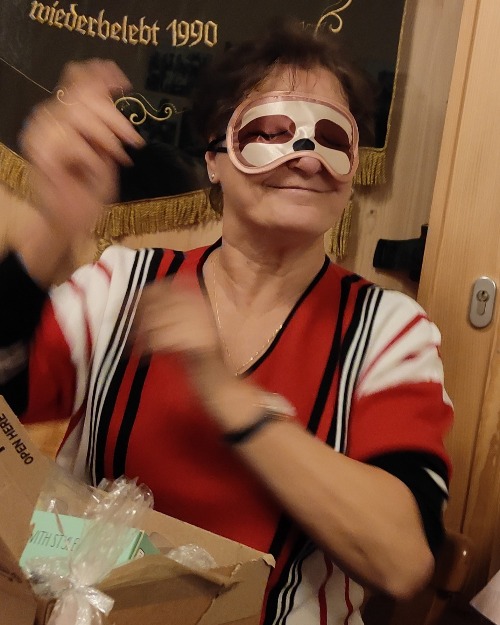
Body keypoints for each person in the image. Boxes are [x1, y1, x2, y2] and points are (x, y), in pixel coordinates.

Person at [0, 21, 453, 625]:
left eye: (330, 137)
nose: (305, 157)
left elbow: (402, 561)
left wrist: (226, 395)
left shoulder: (388, 330)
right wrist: (52, 227)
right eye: (270, 131)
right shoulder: (124, 286)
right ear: (215, 158)